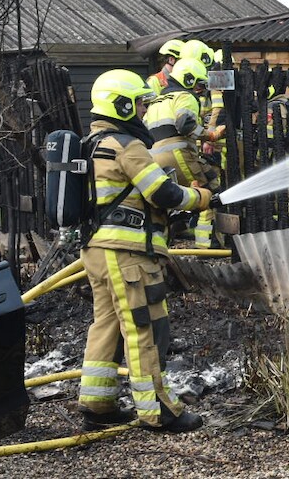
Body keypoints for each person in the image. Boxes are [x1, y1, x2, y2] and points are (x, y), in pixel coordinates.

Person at [78, 69, 212, 433]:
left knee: (106, 324)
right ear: (121, 105)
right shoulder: (126, 145)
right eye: (137, 103)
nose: (141, 110)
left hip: (97, 250)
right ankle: (158, 411)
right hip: (128, 254)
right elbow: (163, 194)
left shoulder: (90, 144)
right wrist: (200, 197)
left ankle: (97, 402)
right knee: (145, 328)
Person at [143, 53, 224, 247]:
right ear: (188, 79)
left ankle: (160, 244)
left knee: (166, 199)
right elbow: (184, 124)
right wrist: (209, 136)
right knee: (208, 191)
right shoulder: (185, 97)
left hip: (154, 157)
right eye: (198, 84)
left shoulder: (157, 101)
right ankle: (207, 246)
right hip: (179, 154)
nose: (200, 89)